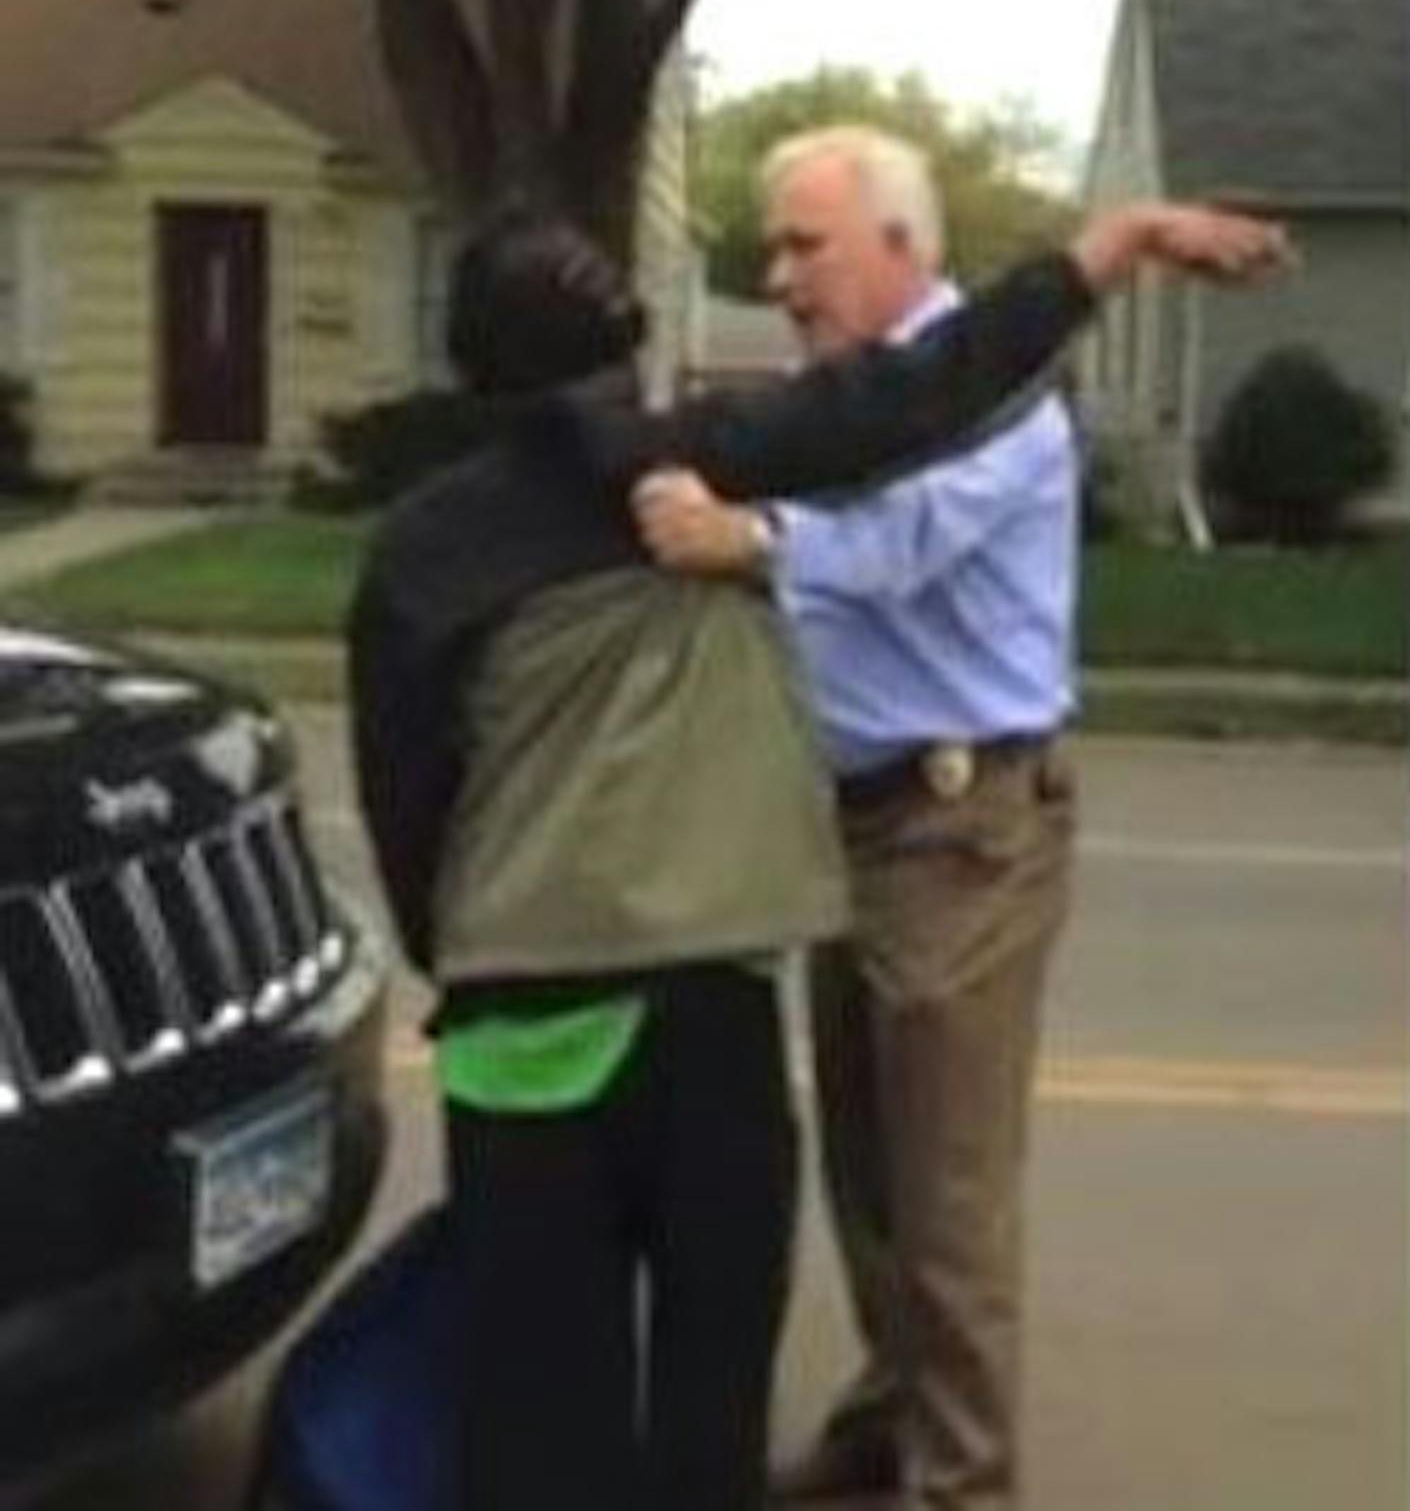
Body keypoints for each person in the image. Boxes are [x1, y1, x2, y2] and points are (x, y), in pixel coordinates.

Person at [348, 194, 1287, 1511]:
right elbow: (924, 395)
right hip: (709, 1021)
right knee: (707, 1408)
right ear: (620, 350)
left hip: (522, 1033)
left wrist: (466, 954)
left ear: (468, 367)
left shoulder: (419, 552)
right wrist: (1104, 251)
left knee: (535, 1407)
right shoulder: (703, 464)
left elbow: (405, 797)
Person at [630, 124, 1197, 1511]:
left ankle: (964, 1487)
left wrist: (748, 540)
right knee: (872, 1182)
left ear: (901, 249)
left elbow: (897, 552)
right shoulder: (858, 394)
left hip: (967, 833)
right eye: (773, 249)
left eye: (803, 246)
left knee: (949, 1213)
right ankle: (893, 1429)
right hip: (856, 828)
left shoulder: (1001, 400)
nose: (779, 277)